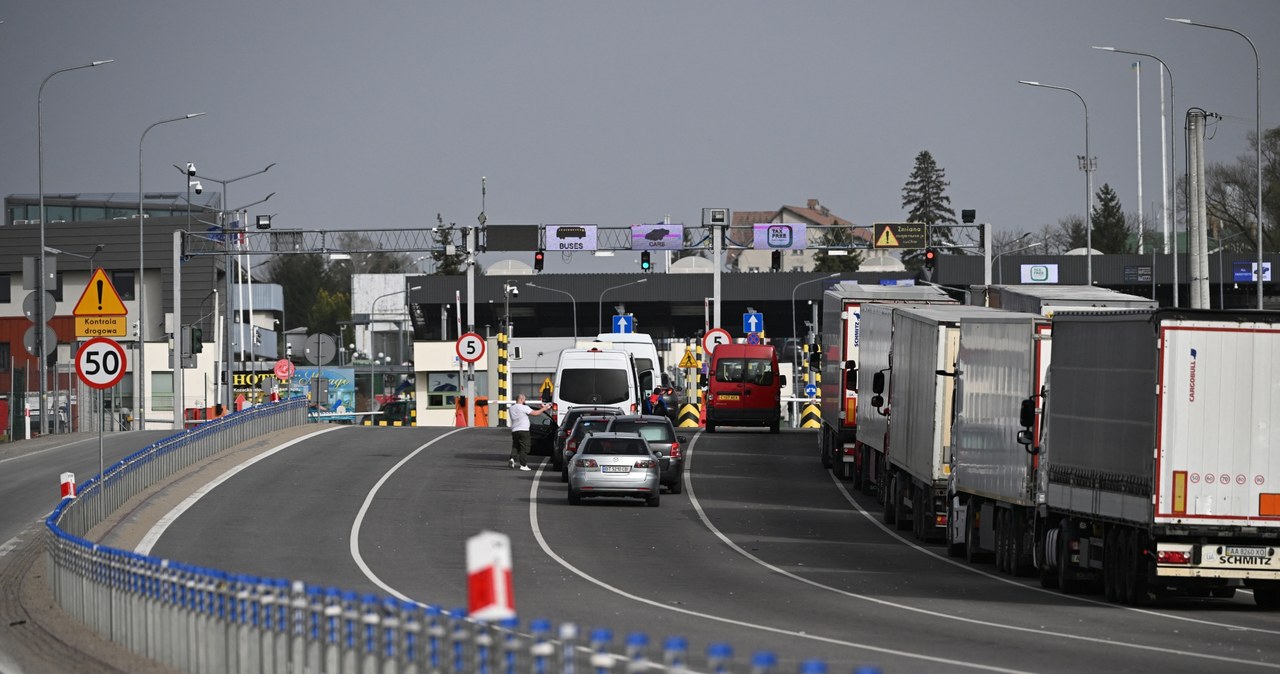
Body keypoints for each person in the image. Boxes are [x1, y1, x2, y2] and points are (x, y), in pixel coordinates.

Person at [508, 393, 547, 471]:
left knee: (515, 446)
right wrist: (544, 409)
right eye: (524, 399)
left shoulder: (511, 408)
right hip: (524, 430)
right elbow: (535, 413)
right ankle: (523, 465)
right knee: (524, 448)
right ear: (521, 399)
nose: (525, 401)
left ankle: (512, 459)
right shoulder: (524, 407)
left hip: (515, 430)